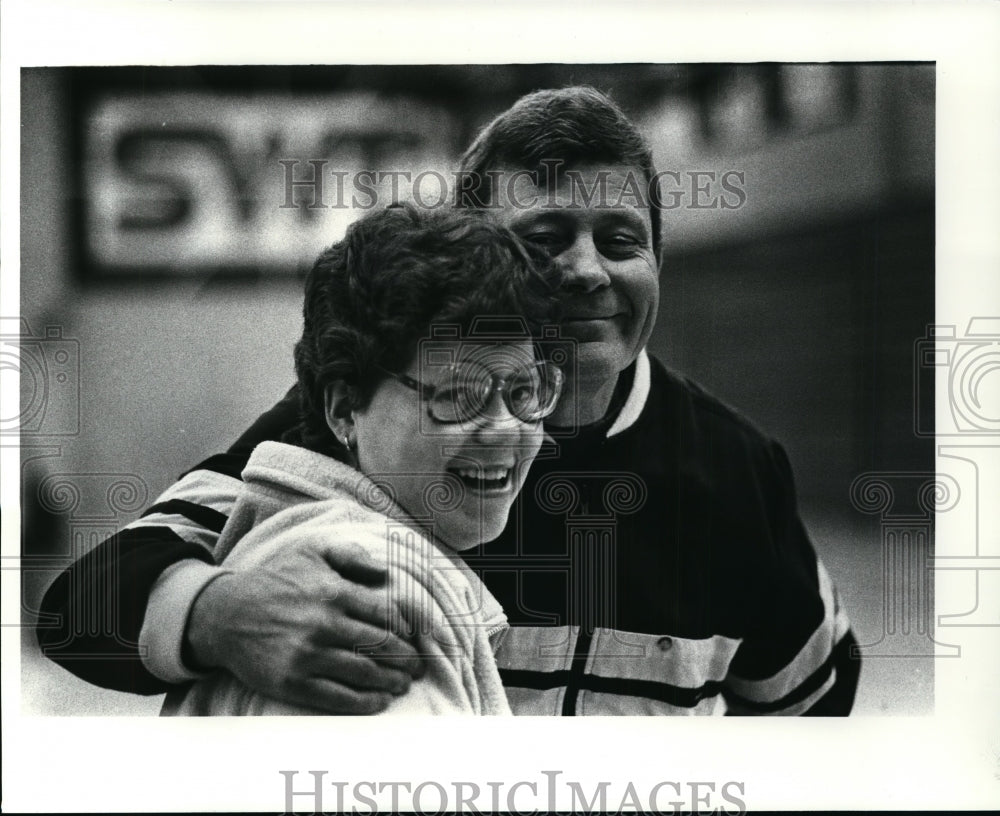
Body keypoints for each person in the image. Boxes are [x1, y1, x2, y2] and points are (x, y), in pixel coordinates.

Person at [38, 86, 860, 715]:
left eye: (620, 240)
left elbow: (812, 705)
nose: (586, 271)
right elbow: (81, 609)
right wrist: (216, 613)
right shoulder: (361, 433)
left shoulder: (738, 466)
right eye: (543, 240)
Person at [161, 204, 562, 715]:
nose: (506, 426)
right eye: (460, 395)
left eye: (525, 391)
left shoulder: (299, 547)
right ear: (344, 409)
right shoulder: (369, 589)